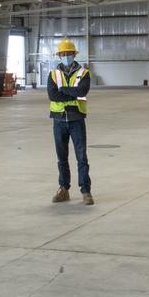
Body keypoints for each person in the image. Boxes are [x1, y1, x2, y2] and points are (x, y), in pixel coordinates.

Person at [47, 38, 93, 205]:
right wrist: (72, 93)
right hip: (59, 120)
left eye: (69, 54)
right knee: (62, 157)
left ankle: (86, 191)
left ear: (74, 54)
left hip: (76, 119)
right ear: (59, 56)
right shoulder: (53, 74)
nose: (66, 56)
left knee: (81, 157)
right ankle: (63, 189)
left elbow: (82, 90)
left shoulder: (84, 73)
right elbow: (53, 95)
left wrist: (63, 90)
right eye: (63, 54)